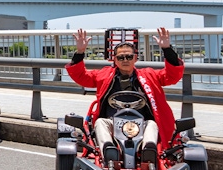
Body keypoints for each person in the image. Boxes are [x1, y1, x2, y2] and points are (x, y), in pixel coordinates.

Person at [66, 27, 184, 163]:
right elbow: (81, 76)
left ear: (136, 58)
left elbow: (172, 76)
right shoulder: (104, 75)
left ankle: (149, 153)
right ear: (115, 60)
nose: (125, 60)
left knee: (152, 124)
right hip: (112, 121)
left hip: (142, 123)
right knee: (100, 122)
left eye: (129, 57)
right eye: (121, 57)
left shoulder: (150, 75)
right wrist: (80, 52)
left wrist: (167, 49)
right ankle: (109, 151)